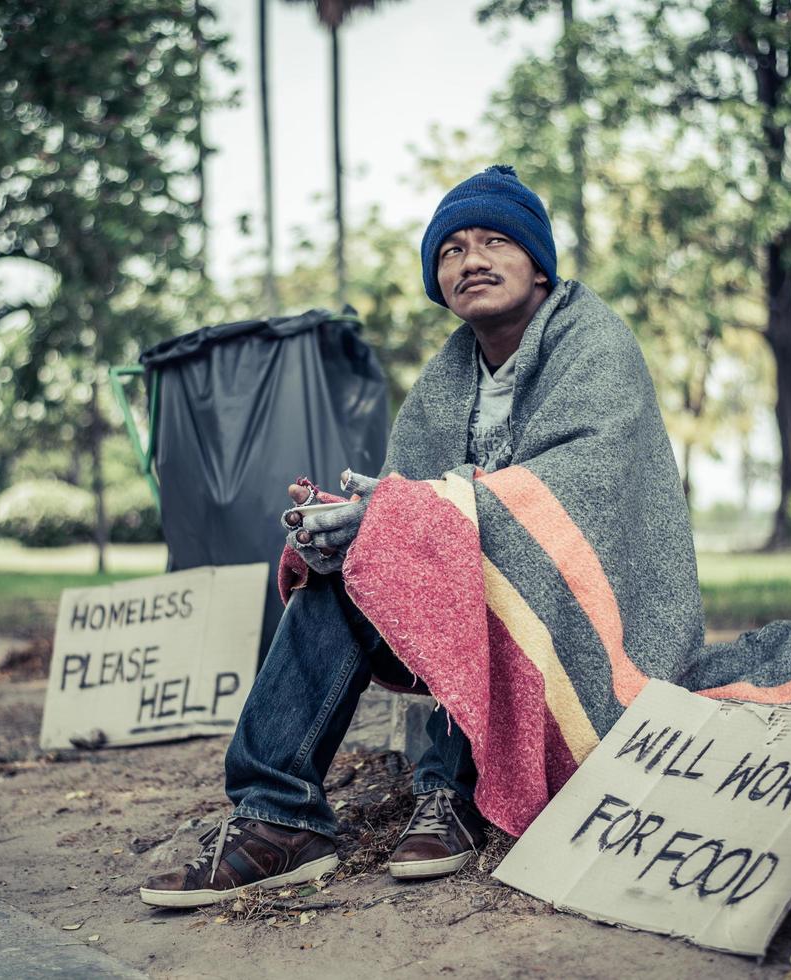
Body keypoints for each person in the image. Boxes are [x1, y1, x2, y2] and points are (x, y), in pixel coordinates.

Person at [139, 163, 661, 909]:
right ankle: (277, 817)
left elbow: (586, 494)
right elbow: (406, 507)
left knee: (453, 552)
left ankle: (450, 792)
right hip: (479, 591)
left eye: (493, 241)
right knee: (348, 573)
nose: (471, 260)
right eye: (450, 250)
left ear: (537, 263)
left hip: (584, 620)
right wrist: (343, 532)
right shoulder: (446, 378)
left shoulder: (592, 342)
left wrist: (416, 517)